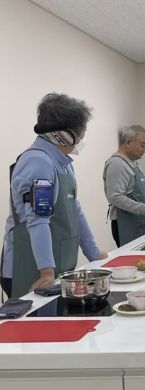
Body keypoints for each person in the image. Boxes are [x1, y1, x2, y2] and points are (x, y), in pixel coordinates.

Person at [1, 93, 108, 298]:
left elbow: (75, 210)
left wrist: (94, 253)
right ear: (66, 135)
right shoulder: (38, 162)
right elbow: (38, 219)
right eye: (81, 132)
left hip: (58, 266)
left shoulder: (63, 163)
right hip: (30, 268)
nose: (82, 138)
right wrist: (46, 271)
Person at [103, 125, 145, 247]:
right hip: (126, 226)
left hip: (139, 223)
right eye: (142, 145)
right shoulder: (117, 164)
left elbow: (138, 194)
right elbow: (116, 197)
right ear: (128, 142)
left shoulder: (132, 163)